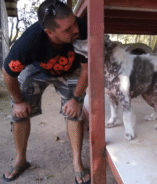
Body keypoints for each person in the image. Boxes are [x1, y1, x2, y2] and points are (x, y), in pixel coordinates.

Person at [2, 0, 90, 183]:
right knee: (19, 113)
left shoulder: (83, 30)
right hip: (36, 70)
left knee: (76, 112)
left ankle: (76, 162)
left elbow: (87, 69)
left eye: (74, 22)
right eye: (68, 29)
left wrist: (76, 98)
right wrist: (18, 101)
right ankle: (21, 160)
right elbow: (8, 74)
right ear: (49, 32)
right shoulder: (29, 42)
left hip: (71, 70)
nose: (75, 29)